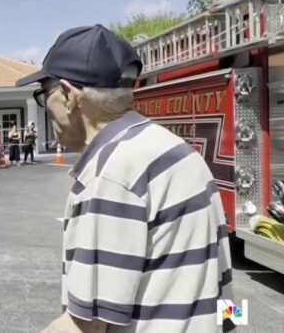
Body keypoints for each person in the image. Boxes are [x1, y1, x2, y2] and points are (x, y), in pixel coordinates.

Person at [17, 25, 234, 333]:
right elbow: (228, 297)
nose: (46, 110)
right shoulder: (178, 150)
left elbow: (85, 326)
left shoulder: (110, 175)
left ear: (67, 95)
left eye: (43, 94)